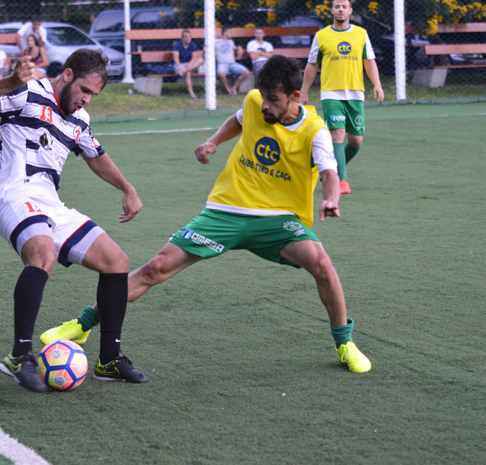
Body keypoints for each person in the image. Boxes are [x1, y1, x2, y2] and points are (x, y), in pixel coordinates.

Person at [42, 55, 372, 375]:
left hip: (278, 220)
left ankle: (344, 344)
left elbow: (329, 173)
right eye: (264, 98)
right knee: (156, 267)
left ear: (295, 96)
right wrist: (213, 141)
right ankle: (82, 325)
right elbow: (238, 120)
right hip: (225, 212)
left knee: (322, 264)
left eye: (274, 99)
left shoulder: (315, 131)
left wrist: (331, 199)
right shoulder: (256, 101)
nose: (266, 106)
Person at [0, 48, 148, 392]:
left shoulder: (81, 120)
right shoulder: (28, 92)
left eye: (94, 95)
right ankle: (20, 355)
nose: (86, 100)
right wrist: (11, 81)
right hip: (13, 193)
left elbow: (96, 155)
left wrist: (127, 187)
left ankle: (108, 361)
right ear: (67, 75)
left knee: (116, 261)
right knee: (42, 253)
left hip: (49, 202)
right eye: (85, 91)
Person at [299, 0, 384, 195]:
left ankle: (330, 169)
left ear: (350, 10)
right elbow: (312, 65)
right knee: (337, 134)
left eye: (344, 6)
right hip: (331, 93)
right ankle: (341, 180)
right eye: (337, 6)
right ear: (332, 10)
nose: (340, 10)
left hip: (355, 93)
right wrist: (304, 91)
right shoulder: (321, 36)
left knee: (356, 141)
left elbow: (369, 62)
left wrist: (377, 85)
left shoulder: (361, 34)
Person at [215, 26, 251, 96]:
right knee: (221, 74)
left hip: (232, 64)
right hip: (222, 64)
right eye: (230, 32)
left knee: (246, 72)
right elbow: (206, 48)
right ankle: (228, 89)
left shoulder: (231, 41)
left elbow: (235, 47)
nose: (231, 34)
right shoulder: (216, 42)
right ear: (225, 33)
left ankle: (234, 88)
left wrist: (239, 47)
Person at [172, 29, 204, 100]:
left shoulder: (193, 45)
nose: (188, 38)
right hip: (180, 65)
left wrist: (188, 66)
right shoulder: (177, 45)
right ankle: (192, 95)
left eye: (189, 36)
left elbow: (194, 57)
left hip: (190, 65)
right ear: (182, 38)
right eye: (186, 37)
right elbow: (176, 58)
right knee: (188, 72)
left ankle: (185, 71)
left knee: (201, 60)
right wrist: (180, 68)